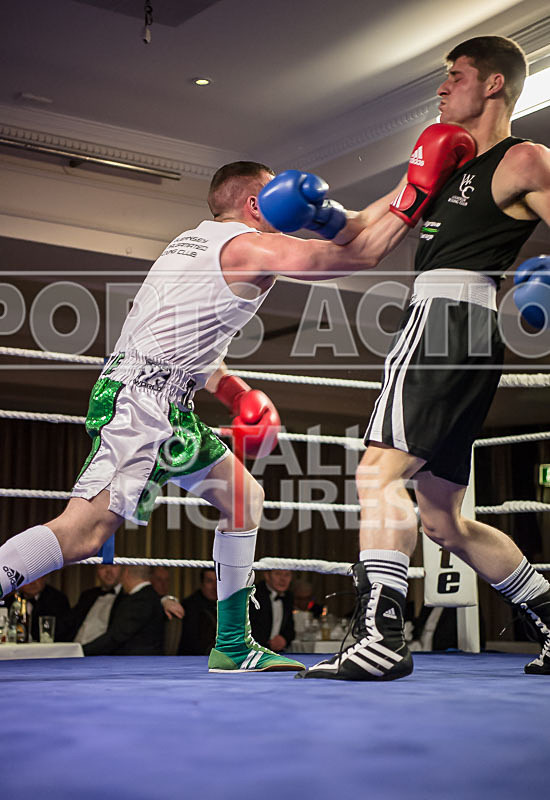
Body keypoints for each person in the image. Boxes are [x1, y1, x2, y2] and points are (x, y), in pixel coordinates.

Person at [0, 160, 411, 673]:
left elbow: (189, 347)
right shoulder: (247, 246)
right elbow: (361, 253)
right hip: (142, 404)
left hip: (167, 403)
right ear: (255, 203)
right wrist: (418, 187)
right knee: (83, 534)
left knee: (243, 499)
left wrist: (238, 394)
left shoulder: (190, 244)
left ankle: (233, 645)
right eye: (272, 191)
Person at [264, 35, 550, 680]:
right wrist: (315, 214)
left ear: (493, 85)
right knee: (444, 520)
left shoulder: (524, 158)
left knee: (377, 474)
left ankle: (381, 639)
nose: (443, 88)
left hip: (448, 320)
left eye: (456, 76)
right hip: (461, 330)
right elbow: (366, 231)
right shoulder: (442, 158)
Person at [83, 565, 164, 656]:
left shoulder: (140, 600)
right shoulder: (146, 595)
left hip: (136, 661)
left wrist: (81, 651)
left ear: (126, 573)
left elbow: (116, 637)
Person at [4, 575, 69, 642]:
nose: (32, 582)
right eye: (28, 578)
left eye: (37, 577)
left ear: (44, 578)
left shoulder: (58, 599)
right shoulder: (10, 600)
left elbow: (63, 632)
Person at [250, 570, 295, 652]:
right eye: (278, 574)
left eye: (287, 575)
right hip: (252, 652)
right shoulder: (253, 594)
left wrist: (284, 639)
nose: (283, 579)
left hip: (277, 653)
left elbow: (290, 628)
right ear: (267, 575)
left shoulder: (288, 597)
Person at [178, 568, 217, 655]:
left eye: (217, 581)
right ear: (202, 584)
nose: (215, 586)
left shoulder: (227, 604)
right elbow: (192, 642)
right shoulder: (190, 605)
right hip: (193, 658)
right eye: (210, 581)